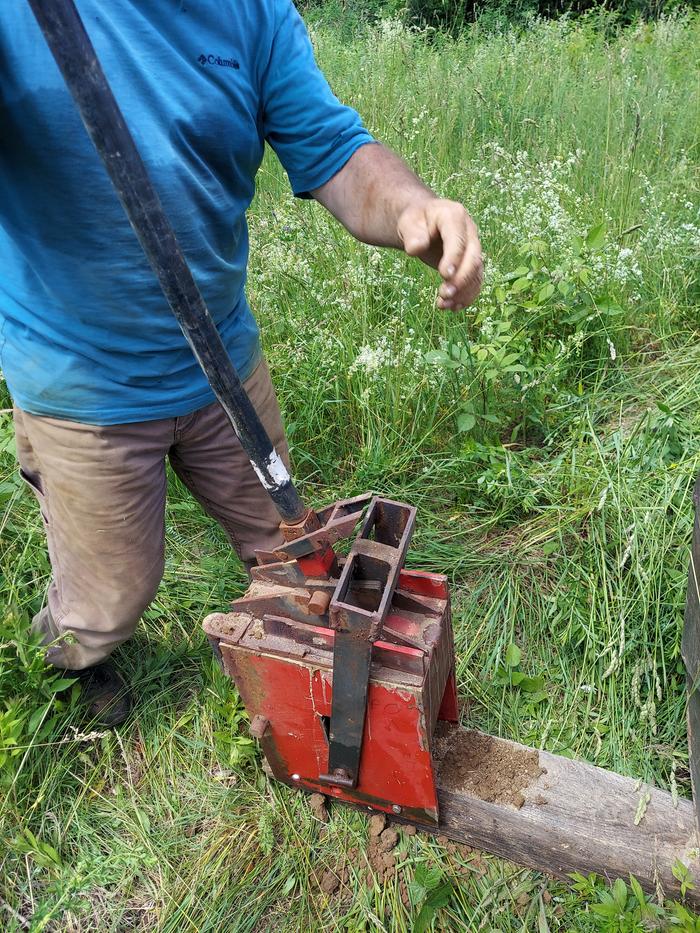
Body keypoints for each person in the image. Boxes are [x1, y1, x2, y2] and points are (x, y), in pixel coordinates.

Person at [0, 0, 482, 726]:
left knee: (291, 548)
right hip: (82, 377)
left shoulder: (251, 13)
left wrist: (414, 206)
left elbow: (336, 151)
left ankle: (311, 689)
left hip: (223, 361)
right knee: (108, 600)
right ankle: (59, 669)